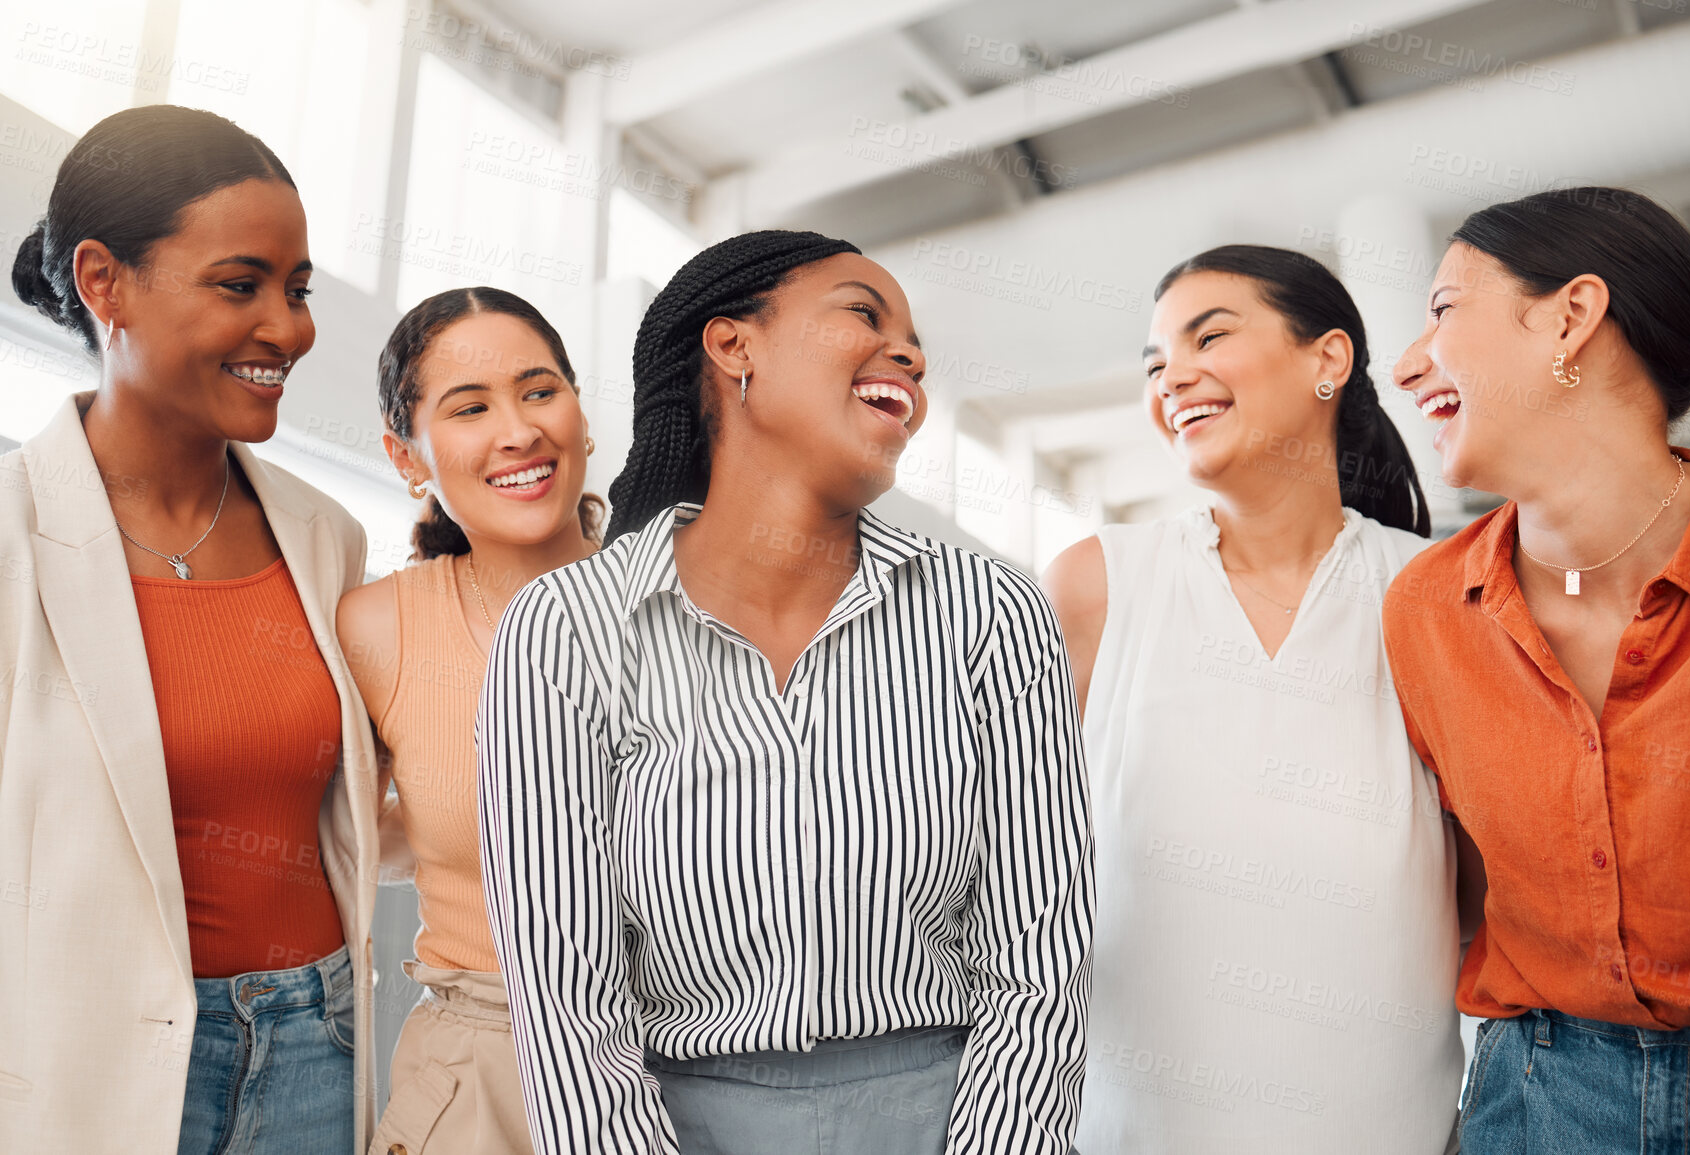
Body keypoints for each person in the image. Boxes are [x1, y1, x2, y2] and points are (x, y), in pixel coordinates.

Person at [475, 229, 1093, 1155]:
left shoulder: (990, 614)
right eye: (862, 312)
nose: (912, 354)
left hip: (953, 1119)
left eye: (915, 340)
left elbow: (1042, 960)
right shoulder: (566, 630)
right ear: (735, 348)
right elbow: (567, 1001)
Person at [0, 105, 383, 1154]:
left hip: (319, 1049)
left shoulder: (325, 539)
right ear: (103, 281)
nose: (292, 327)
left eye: (298, 291)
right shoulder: (11, 539)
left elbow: (367, 819)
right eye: (240, 284)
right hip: (88, 1067)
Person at [1045, 245, 1463, 1153]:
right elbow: (1014, 874)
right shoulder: (1096, 583)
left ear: (1328, 359)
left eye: (1209, 337)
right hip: (1134, 1126)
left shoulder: (1432, 590)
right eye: (1155, 363)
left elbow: (1485, 877)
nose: (1173, 376)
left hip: (1386, 1126)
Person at [1384, 186, 1690, 1155]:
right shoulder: (1426, 612)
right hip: (1534, 1097)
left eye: (1443, 312)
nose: (1407, 364)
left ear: (1572, 317)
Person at [336, 287, 604, 1154]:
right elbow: (345, 841)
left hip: (692, 1058)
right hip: (482, 1077)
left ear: (580, 415)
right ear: (406, 457)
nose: (518, 430)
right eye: (469, 407)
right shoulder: (379, 627)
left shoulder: (689, 601)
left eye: (538, 391)